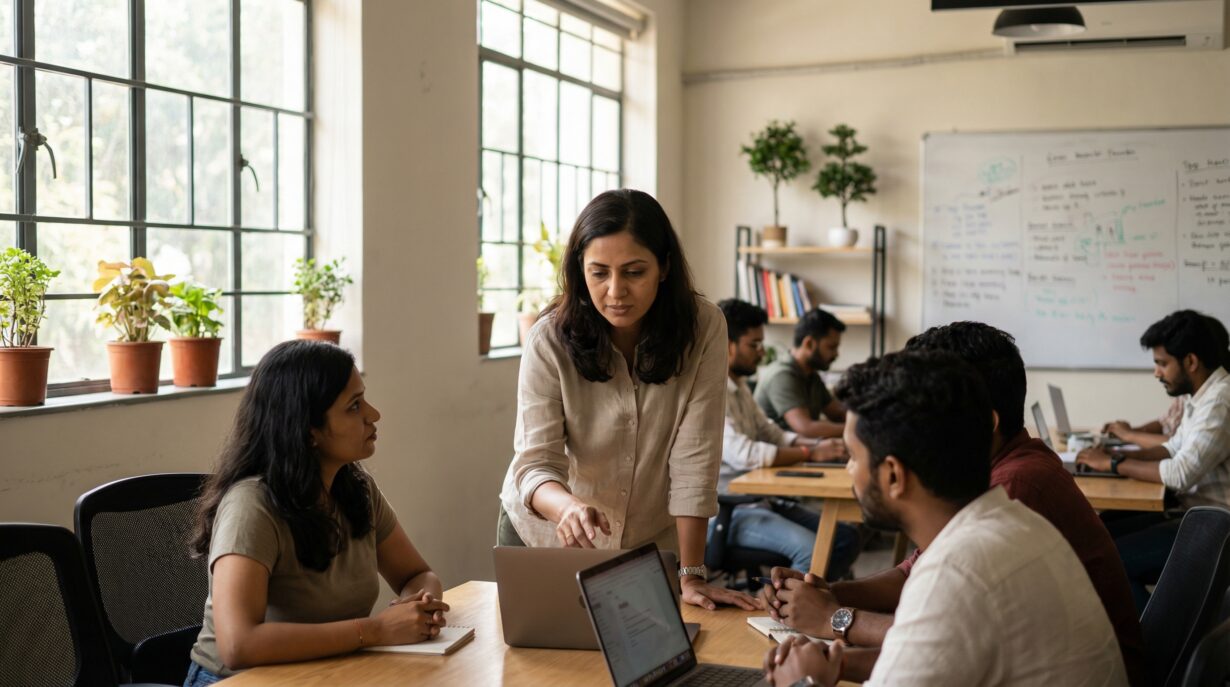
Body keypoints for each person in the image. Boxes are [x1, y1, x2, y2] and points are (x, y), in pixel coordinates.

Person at [761, 322, 1145, 685]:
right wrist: (832, 634)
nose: (848, 469)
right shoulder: (1004, 518)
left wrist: (802, 677)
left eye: (853, 456)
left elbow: (938, 616)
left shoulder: (963, 564)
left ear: (893, 475)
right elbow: (940, 644)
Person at [497, 189, 758, 612]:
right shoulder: (549, 339)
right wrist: (568, 509)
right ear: (580, 272)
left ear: (664, 267)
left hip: (647, 541)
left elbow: (695, 458)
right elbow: (536, 463)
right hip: (545, 536)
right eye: (598, 273)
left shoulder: (704, 328)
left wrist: (691, 573)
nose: (615, 291)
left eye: (634, 272)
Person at [184, 341, 447, 686]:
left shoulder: (357, 488)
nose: (373, 414)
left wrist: (419, 605)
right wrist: (376, 630)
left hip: (327, 671)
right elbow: (238, 645)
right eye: (354, 407)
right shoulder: (251, 505)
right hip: (238, 680)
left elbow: (418, 573)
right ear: (309, 431)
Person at [1078, 310, 1230, 611]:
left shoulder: (1221, 400)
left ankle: (1159, 646)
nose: (1156, 373)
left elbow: (1181, 473)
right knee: (1097, 539)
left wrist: (1112, 465)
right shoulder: (1202, 395)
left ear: (1191, 361)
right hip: (1194, 515)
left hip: (1217, 527)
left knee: (1106, 563)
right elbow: (1173, 447)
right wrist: (1117, 455)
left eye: (1162, 364)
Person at [714, 298, 859, 578]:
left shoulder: (739, 387)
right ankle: (787, 619)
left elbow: (772, 433)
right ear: (727, 345)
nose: (761, 352)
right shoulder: (710, 391)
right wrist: (810, 453)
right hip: (727, 510)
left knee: (844, 537)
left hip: (761, 499)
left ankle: (816, 605)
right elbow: (745, 454)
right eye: (753, 345)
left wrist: (817, 446)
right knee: (812, 550)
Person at [754, 308, 847, 438]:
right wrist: (856, 429)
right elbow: (806, 428)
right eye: (831, 347)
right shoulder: (782, 375)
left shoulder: (811, 375)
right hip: (782, 454)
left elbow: (837, 413)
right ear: (809, 344)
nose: (836, 354)